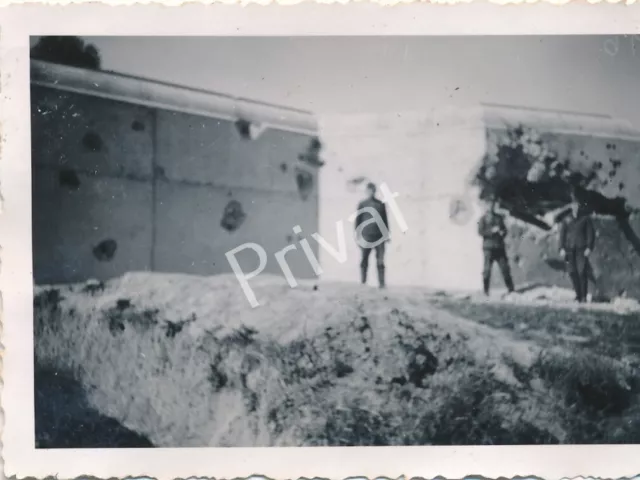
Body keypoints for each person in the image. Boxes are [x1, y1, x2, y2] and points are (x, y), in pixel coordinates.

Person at [559, 188, 596, 303]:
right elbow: (562, 235)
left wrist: (589, 247)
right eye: (574, 205)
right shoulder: (566, 219)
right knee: (572, 272)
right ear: (571, 206)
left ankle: (584, 297)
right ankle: (578, 295)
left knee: (582, 272)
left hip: (581, 249)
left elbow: (591, 234)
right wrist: (561, 248)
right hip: (569, 249)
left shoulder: (585, 219)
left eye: (578, 205)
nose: (576, 207)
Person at [354, 182, 390, 288]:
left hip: (379, 236)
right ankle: (363, 282)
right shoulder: (362, 204)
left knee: (380, 261)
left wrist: (387, 234)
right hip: (366, 236)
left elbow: (385, 220)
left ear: (375, 191)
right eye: (369, 190)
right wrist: (357, 236)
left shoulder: (381, 204)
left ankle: (382, 284)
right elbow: (358, 221)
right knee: (364, 259)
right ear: (367, 191)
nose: (371, 192)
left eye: (373, 190)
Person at [477, 198, 515, 296]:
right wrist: (492, 231)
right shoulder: (482, 219)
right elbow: (480, 232)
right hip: (488, 248)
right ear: (486, 207)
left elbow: (505, 230)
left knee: (505, 269)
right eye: (489, 205)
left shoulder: (499, 218)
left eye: (492, 205)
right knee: (487, 270)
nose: (491, 207)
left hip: (499, 247)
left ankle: (511, 289)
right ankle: (486, 291)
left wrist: (502, 233)